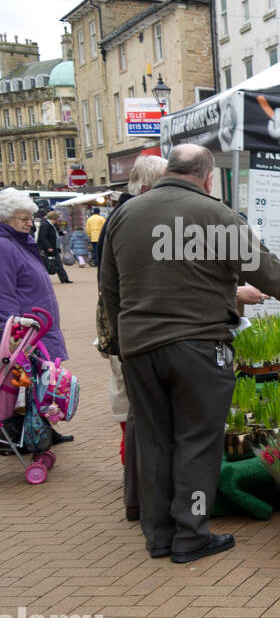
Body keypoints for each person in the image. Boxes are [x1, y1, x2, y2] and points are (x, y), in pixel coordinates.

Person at [100, 144, 280, 564]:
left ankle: (158, 535)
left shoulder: (125, 215)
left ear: (170, 169)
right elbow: (270, 271)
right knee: (197, 441)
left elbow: (109, 288)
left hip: (139, 347)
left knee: (155, 441)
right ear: (208, 177)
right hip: (198, 346)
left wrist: (125, 338)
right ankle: (191, 534)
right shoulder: (217, 216)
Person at [97, 154, 168, 522]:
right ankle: (141, 496)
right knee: (138, 416)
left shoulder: (127, 215)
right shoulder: (128, 218)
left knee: (139, 416)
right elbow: (112, 286)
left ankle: (137, 497)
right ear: (145, 186)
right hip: (135, 334)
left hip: (130, 332)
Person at [0, 189, 73, 444]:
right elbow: (3, 292)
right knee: (29, 387)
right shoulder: (5, 246)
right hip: (26, 333)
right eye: (23, 218)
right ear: (5, 219)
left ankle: (42, 432)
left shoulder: (19, 242)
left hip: (38, 330)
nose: (30, 223)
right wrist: (10, 331)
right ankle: (30, 435)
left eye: (30, 217)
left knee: (42, 387)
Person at [35, 201, 70, 284]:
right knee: (47, 264)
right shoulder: (45, 225)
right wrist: (48, 247)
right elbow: (43, 237)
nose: (57, 221)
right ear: (53, 218)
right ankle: (61, 279)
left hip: (53, 247)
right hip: (48, 248)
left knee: (56, 263)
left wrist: (61, 233)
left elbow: (55, 233)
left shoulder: (51, 224)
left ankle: (64, 279)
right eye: (56, 219)